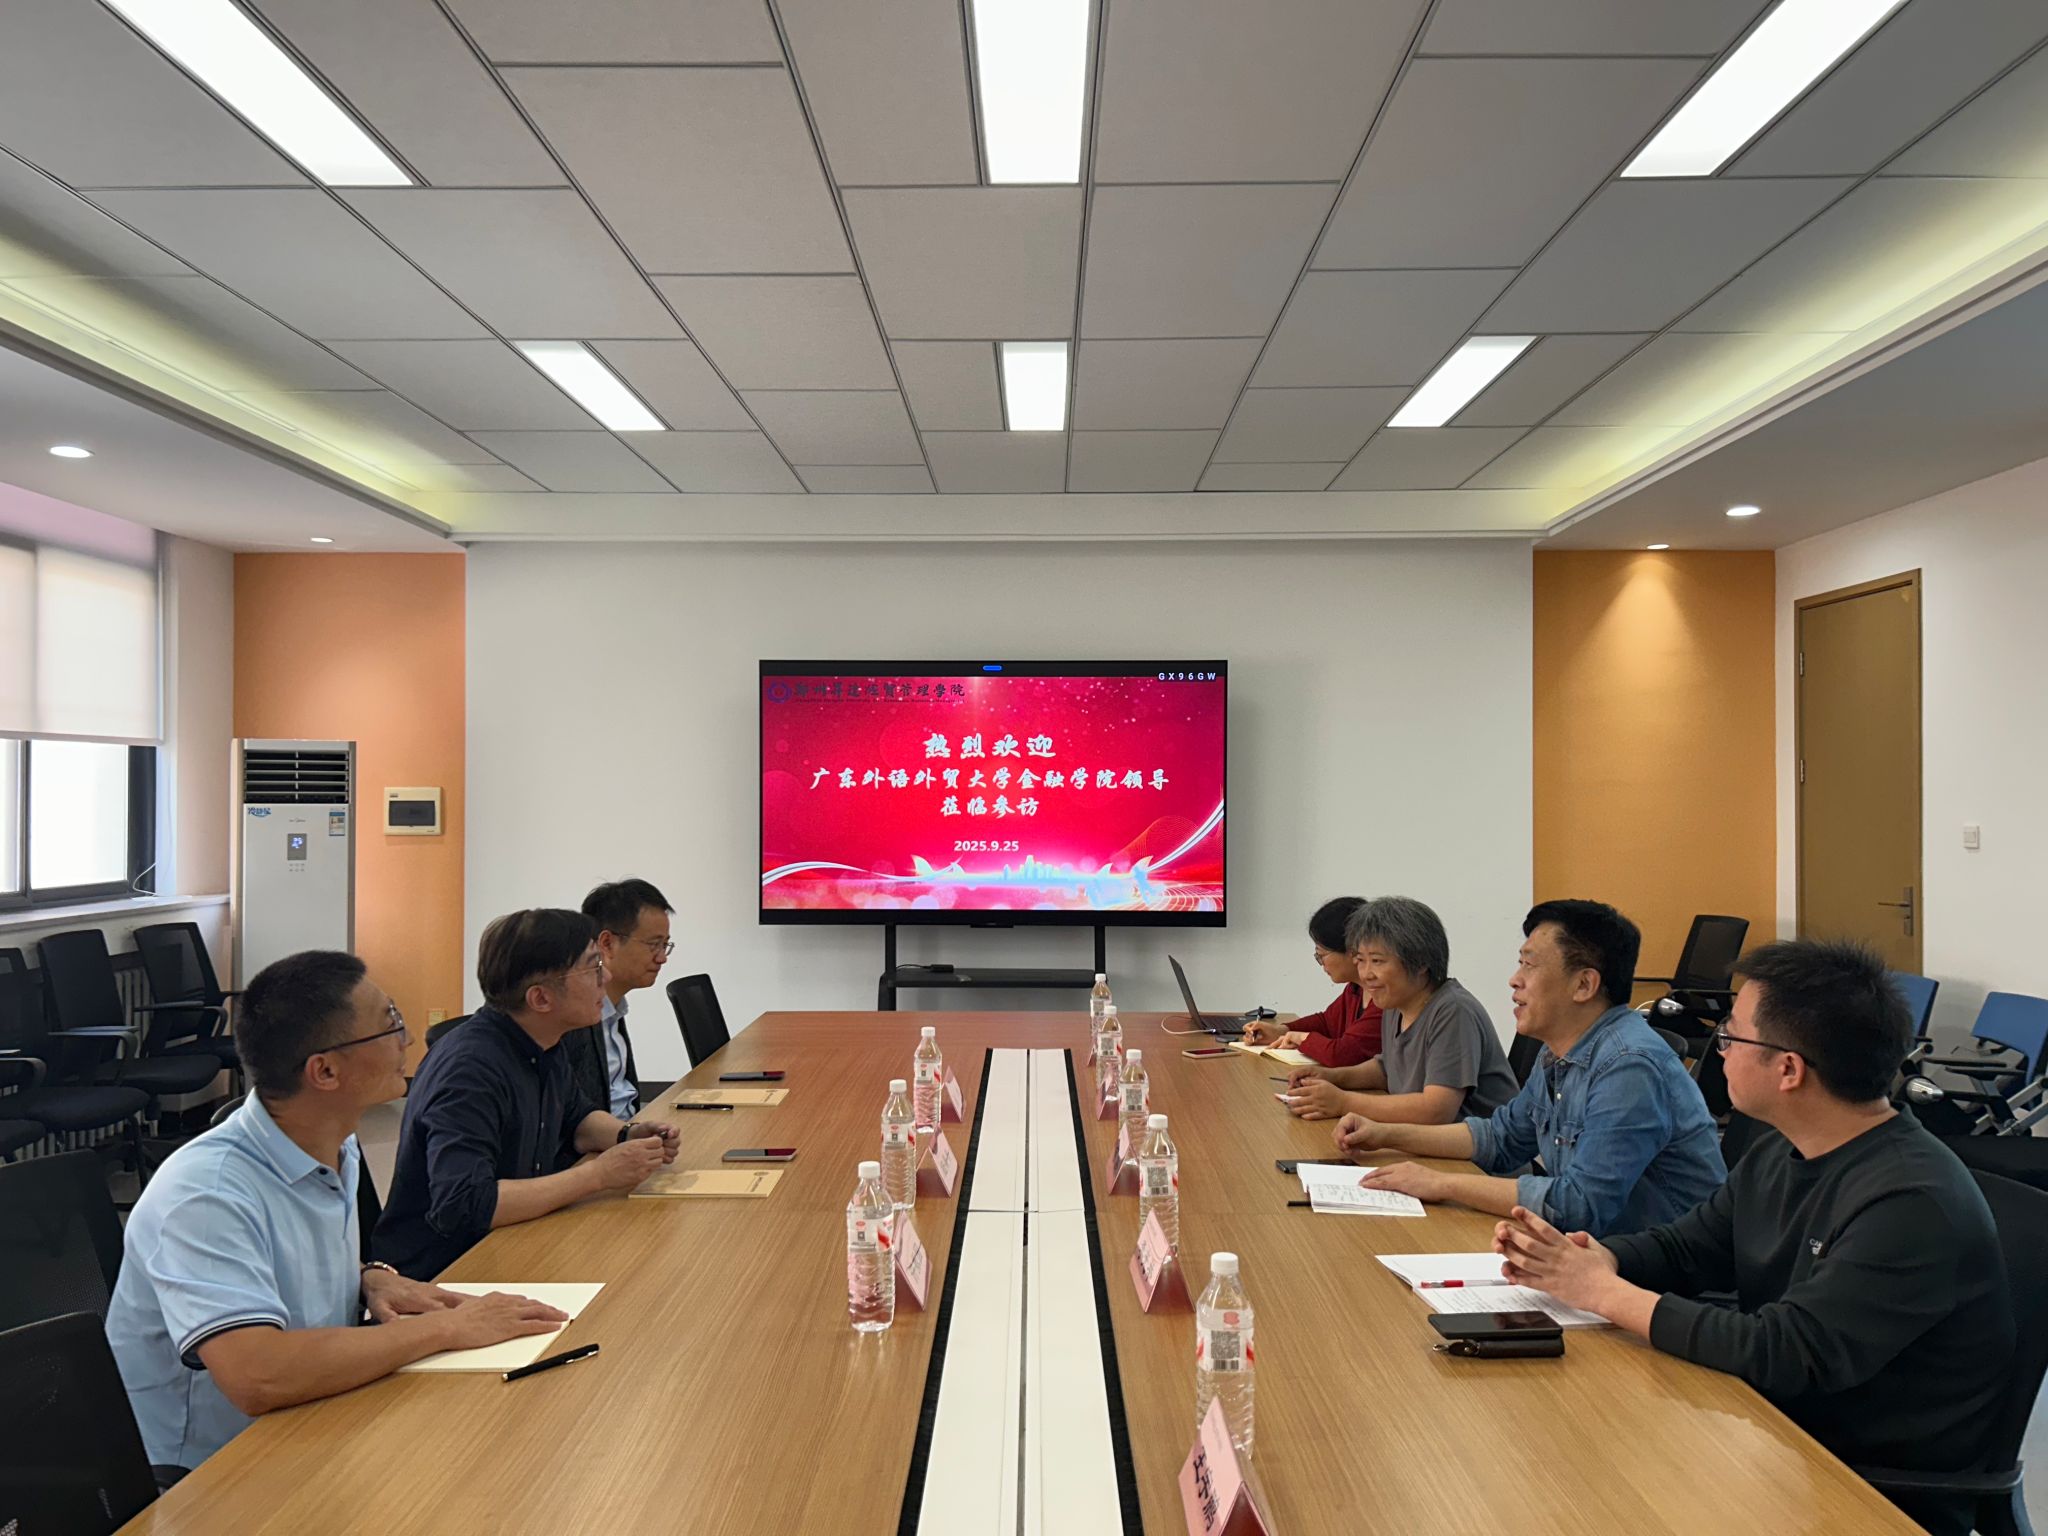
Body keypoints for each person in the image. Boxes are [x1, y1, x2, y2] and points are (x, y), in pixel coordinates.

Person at [1493, 938, 2013, 1536]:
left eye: (1732, 1037)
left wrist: (1602, 1292)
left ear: (1788, 1069)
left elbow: (1784, 1351)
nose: (1720, 1052)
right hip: (1767, 1434)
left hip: (1860, 1486)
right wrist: (1589, 1257)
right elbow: (1688, 1249)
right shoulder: (1782, 1150)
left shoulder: (1911, 1201)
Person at [106, 951, 569, 1484]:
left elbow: (284, 1259)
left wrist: (365, 1277)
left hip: (314, 1417)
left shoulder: (332, 1144)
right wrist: (447, 1327)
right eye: (390, 1024)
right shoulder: (205, 1195)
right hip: (212, 1473)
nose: (407, 1040)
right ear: (325, 1071)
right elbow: (257, 1375)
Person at [1333, 900, 1724, 1235]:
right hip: (1589, 1251)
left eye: (1529, 965)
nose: (1514, 980)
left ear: (1584, 985)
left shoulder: (1628, 1067)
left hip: (1657, 1277)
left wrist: (1440, 1183)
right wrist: (1384, 1134)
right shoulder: (1559, 1052)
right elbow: (1501, 1137)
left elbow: (1579, 1204)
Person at [373, 909, 680, 1280]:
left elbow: (576, 1118)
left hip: (516, 1235)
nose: (607, 977)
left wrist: (628, 1135)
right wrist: (598, 1175)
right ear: (540, 999)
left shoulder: (544, 1039)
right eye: (593, 967)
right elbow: (464, 1204)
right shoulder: (470, 1071)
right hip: (445, 1270)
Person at [1282, 895, 1516, 1123]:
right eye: (1360, 960)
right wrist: (1331, 1077)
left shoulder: (1453, 1011)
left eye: (1377, 961)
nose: (1366, 974)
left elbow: (1437, 1110)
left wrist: (1343, 1102)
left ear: (1421, 962)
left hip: (1476, 1149)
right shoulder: (1394, 1002)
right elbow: (1387, 1070)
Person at [561, 878, 675, 1121]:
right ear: (607, 943)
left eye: (665, 945)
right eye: (654, 945)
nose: (662, 958)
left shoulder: (614, 1010)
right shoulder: (570, 1021)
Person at [1239, 895, 1384, 1067]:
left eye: (1321, 955)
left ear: (1351, 951)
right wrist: (1281, 1031)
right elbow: (1327, 1022)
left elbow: (1341, 1054)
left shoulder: (1385, 999)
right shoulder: (1355, 989)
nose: (1321, 963)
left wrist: (1301, 1038)